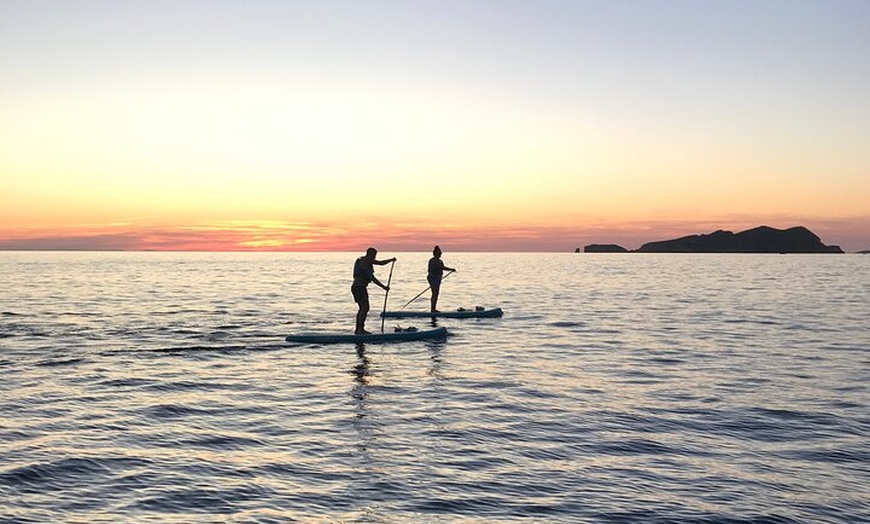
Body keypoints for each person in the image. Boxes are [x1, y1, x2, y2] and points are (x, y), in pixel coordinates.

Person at [352, 247, 396, 334]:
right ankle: (360, 329)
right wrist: (383, 287)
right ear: (369, 254)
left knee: (363, 308)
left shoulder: (365, 260)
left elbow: (381, 263)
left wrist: (391, 260)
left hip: (357, 287)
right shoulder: (366, 261)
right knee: (365, 308)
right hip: (359, 288)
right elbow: (372, 278)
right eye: (374, 255)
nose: (375, 257)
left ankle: (358, 329)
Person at [427, 245, 455, 313]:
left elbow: (443, 267)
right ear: (435, 253)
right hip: (433, 278)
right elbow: (431, 269)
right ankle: (432, 309)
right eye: (439, 253)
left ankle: (434, 308)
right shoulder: (432, 260)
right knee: (434, 293)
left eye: (440, 253)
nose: (440, 254)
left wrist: (451, 269)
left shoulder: (440, 261)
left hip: (438, 278)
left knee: (436, 293)